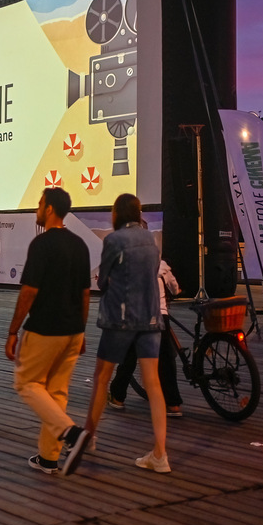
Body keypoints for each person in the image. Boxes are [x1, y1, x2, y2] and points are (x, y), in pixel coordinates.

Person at [4, 188, 91, 476]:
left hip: (45, 328)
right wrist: (82, 328)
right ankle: (48, 458)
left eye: (40, 204)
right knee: (56, 392)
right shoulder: (80, 245)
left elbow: (29, 291)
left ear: (50, 209)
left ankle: (70, 433)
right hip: (73, 330)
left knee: (27, 383)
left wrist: (13, 331)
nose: (37, 208)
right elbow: (85, 293)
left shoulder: (41, 245)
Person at [83, 193, 170, 473]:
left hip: (120, 318)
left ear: (117, 214)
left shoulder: (113, 240)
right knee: (154, 385)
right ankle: (160, 454)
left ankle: (89, 437)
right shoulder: (151, 241)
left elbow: (105, 279)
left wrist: (105, 283)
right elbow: (153, 273)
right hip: (151, 318)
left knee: (102, 378)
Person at [108, 257, 183, 416]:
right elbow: (175, 289)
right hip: (161, 317)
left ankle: (117, 398)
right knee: (166, 360)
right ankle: (174, 405)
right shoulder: (162, 266)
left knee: (128, 357)